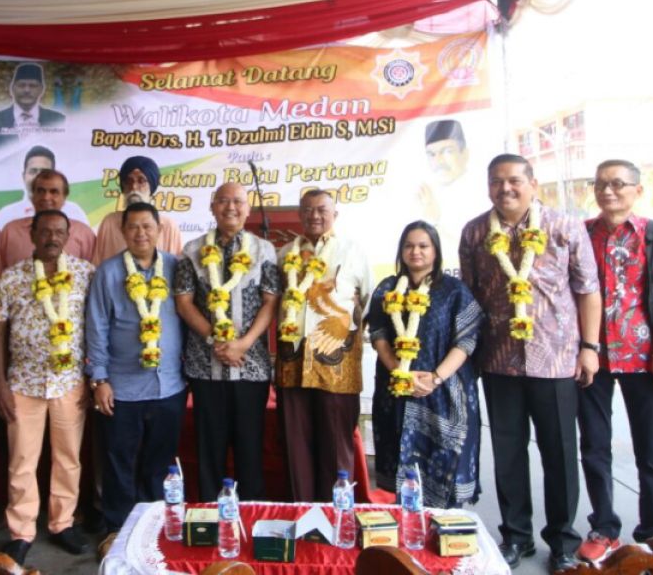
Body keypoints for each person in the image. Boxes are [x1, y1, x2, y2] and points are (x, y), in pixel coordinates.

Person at [458, 154, 601, 573]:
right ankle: (516, 536)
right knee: (508, 453)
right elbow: (469, 297)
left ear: (533, 184)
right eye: (497, 181)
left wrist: (589, 347)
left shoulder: (564, 226)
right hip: (499, 361)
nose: (505, 189)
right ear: (488, 186)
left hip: (555, 360)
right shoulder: (475, 232)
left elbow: (588, 290)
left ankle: (563, 541)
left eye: (514, 180)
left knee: (560, 453)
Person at [575, 160, 653, 563]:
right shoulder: (582, 233)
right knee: (594, 446)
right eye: (600, 184)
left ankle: (652, 533)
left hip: (644, 360)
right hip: (593, 356)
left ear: (637, 191)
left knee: (652, 451)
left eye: (618, 184)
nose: (608, 191)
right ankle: (604, 527)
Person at [0, 210, 95, 564]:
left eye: (59, 232)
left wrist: (93, 377)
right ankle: (21, 531)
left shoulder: (85, 274)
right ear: (32, 235)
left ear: (68, 235)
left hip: (70, 382)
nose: (52, 238)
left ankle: (62, 523)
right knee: (21, 459)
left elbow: (97, 326)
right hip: (23, 382)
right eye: (45, 232)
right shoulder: (12, 277)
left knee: (68, 458)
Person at [174, 183, 278, 501]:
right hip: (205, 367)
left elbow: (271, 302)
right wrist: (214, 339)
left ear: (248, 208)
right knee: (210, 450)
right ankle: (208, 514)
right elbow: (184, 303)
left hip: (251, 366)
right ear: (212, 207)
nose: (230, 207)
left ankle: (251, 513)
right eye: (223, 201)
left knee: (250, 449)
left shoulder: (263, 250)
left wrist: (243, 343)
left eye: (237, 201)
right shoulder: (192, 250)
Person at [85, 203, 185, 534]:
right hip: (121, 388)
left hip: (169, 385)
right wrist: (99, 379)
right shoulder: (108, 273)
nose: (141, 233)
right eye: (133, 227)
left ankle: (153, 529)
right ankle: (118, 531)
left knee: (159, 464)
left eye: (147, 226)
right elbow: (97, 326)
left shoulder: (175, 268)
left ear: (159, 230)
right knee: (119, 462)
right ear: (123, 231)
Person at [367, 221, 481, 508]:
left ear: (435, 251)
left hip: (443, 391)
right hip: (397, 390)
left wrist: (435, 378)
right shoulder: (387, 288)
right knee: (400, 463)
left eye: (423, 246)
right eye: (409, 246)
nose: (415, 252)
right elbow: (378, 334)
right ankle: (406, 525)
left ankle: (445, 526)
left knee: (444, 461)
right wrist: (399, 371)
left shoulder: (454, 290)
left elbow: (466, 341)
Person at [275, 189, 372, 502]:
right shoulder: (285, 254)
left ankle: (337, 514)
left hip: (336, 364)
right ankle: (302, 511)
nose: (314, 216)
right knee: (296, 446)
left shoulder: (353, 251)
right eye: (308, 210)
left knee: (336, 446)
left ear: (335, 214)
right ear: (299, 215)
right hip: (292, 362)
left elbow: (368, 302)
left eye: (322, 210)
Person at [0, 169, 96, 274]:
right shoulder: (11, 231)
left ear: (64, 197)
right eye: (40, 191)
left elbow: (93, 276)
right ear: (32, 196)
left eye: (54, 192)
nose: (46, 197)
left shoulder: (83, 233)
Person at [91, 155, 183, 264]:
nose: (134, 187)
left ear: (151, 186)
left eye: (141, 181)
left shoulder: (168, 225)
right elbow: (98, 266)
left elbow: (177, 268)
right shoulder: (110, 222)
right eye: (129, 181)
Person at [0, 146, 90, 228]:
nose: (38, 177)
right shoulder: (5, 217)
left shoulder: (74, 213)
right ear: (24, 176)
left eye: (44, 172)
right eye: (33, 171)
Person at [0, 63, 66, 153]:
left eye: (33, 85)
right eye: (21, 85)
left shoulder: (59, 120)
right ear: (12, 88)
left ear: (41, 89)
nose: (27, 90)